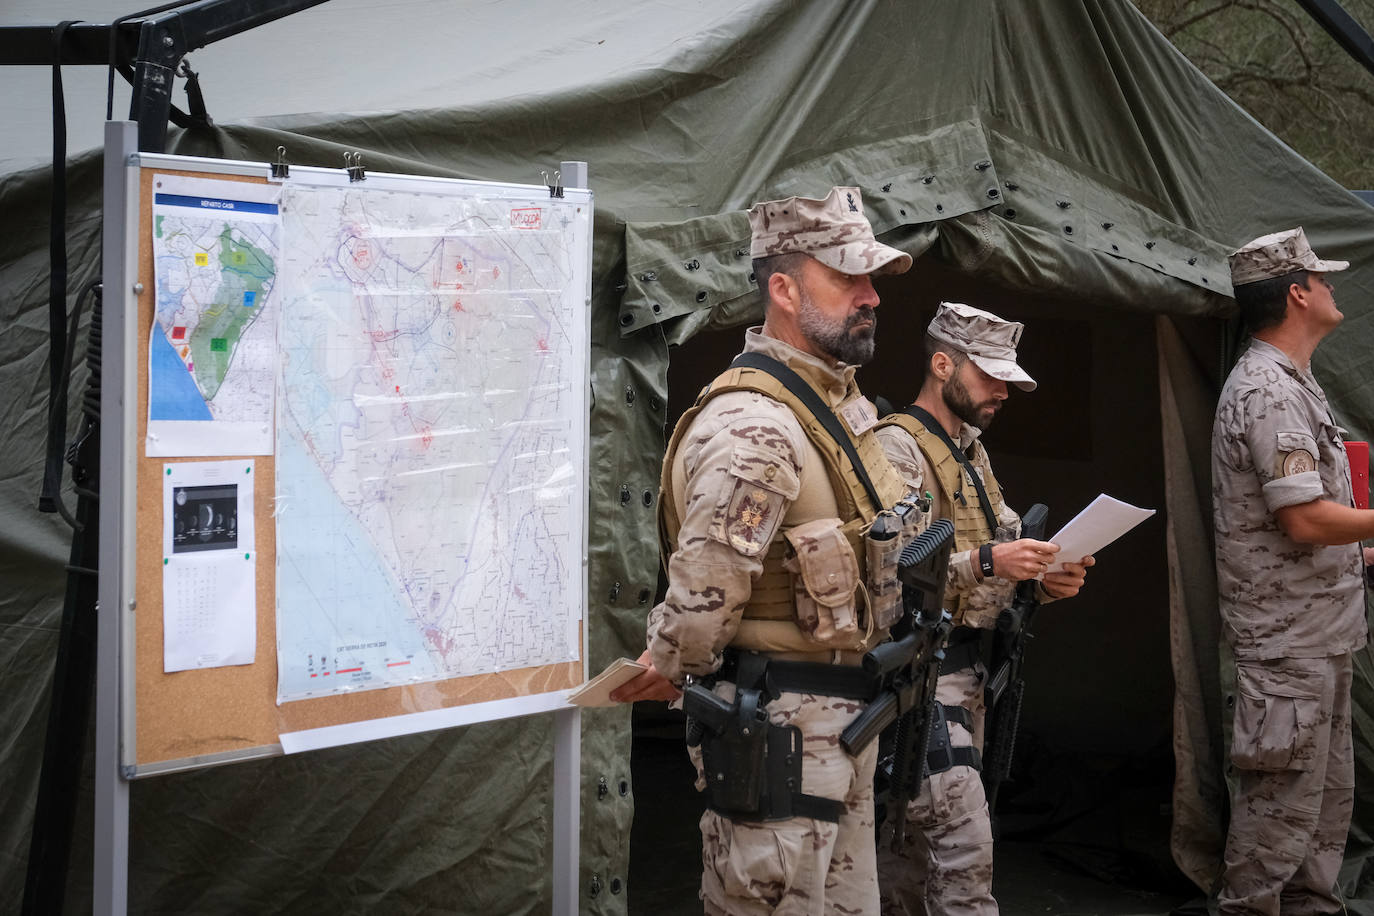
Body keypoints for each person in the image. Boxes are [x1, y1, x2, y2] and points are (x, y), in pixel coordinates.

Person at [611, 186, 921, 914]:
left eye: (871, 278)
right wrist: (668, 662)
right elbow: (702, 597)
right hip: (777, 743)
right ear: (782, 288)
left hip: (843, 731)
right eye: (848, 278)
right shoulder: (754, 428)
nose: (870, 296)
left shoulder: (845, 412)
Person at [872, 302, 1094, 916]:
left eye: (1007, 380)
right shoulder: (899, 450)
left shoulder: (969, 453)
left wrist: (1045, 579)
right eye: (989, 376)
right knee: (963, 856)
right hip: (922, 680)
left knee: (912, 859)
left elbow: (996, 548)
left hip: (968, 678)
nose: (1001, 392)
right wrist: (990, 562)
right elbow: (890, 573)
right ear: (942, 364)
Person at [1211, 227, 1373, 915]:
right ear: (1298, 293)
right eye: (1323, 279)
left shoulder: (1295, 384)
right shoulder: (1267, 391)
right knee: (1272, 836)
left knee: (1318, 830)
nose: (1333, 288)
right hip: (1288, 650)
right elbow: (1304, 519)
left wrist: (1360, 549)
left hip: (1321, 637)